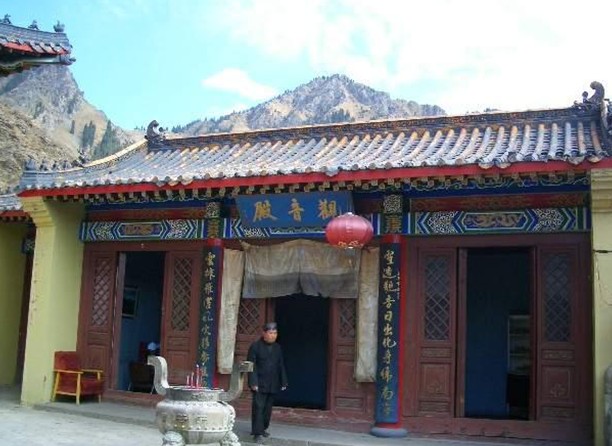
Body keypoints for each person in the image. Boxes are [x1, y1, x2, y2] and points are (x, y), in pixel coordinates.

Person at [247, 322, 288, 444]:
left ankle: (263, 428)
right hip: (259, 382)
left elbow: (280, 365)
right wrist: (253, 382)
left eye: (275, 333)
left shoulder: (277, 348)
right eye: (270, 333)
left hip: (272, 382)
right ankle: (257, 433)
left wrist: (283, 381)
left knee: (267, 408)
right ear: (264, 333)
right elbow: (251, 366)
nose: (273, 335)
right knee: (258, 408)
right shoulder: (255, 347)